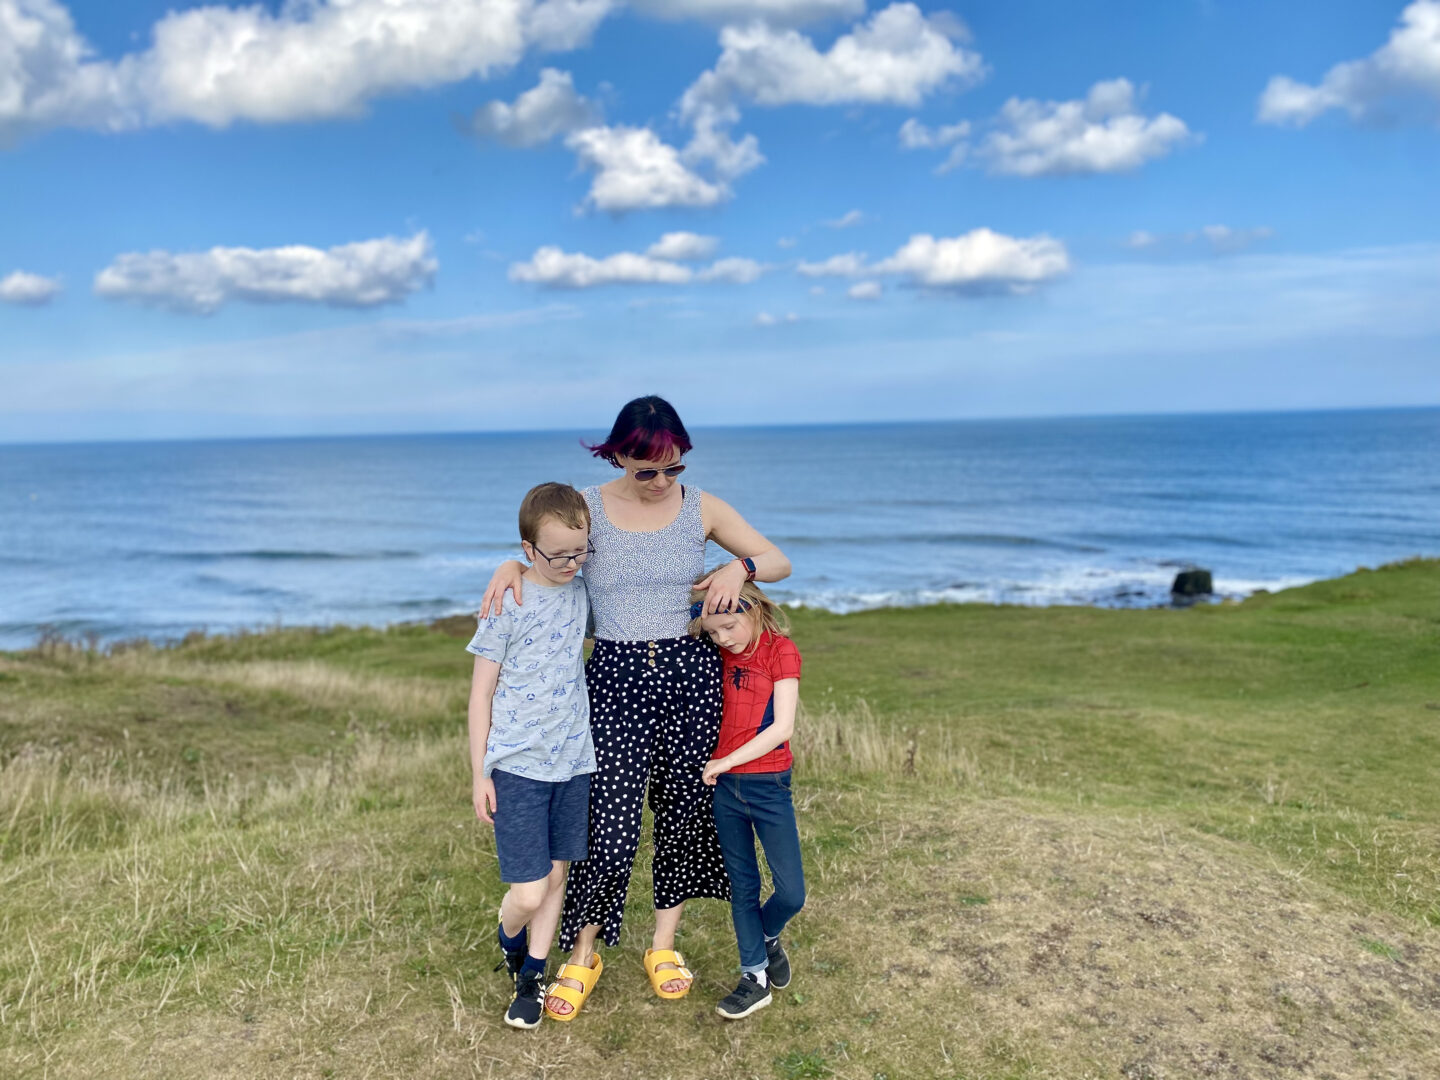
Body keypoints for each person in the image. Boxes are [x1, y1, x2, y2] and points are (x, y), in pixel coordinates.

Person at [478, 395, 790, 1020]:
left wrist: (740, 567)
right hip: (617, 678)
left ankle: (663, 946)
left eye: (672, 468)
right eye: (645, 469)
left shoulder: (701, 506)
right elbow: (546, 545)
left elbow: (779, 561)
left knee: (681, 815)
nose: (660, 482)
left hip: (689, 675)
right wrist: (510, 562)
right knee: (608, 825)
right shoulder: (588, 505)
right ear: (616, 453)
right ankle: (582, 951)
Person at [466, 482, 597, 1029]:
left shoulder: (584, 590)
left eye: (580, 551)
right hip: (518, 767)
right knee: (527, 890)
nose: (570, 563)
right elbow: (480, 693)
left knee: (558, 877)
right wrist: (479, 772)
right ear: (527, 551)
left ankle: (531, 978)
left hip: (574, 762)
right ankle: (509, 936)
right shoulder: (508, 601)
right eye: (557, 555)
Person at [690, 580, 806, 1021]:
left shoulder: (781, 650)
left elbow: (782, 729)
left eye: (730, 626)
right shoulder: (713, 651)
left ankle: (768, 934)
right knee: (743, 886)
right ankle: (754, 976)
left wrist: (725, 762)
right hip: (725, 793)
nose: (723, 639)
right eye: (714, 631)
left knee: (791, 893)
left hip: (767, 785)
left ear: (754, 609)